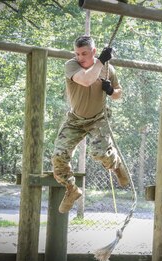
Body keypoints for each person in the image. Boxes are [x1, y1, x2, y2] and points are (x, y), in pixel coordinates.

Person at [52, 35, 129, 214]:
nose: (80, 57)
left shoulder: (108, 69)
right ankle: (71, 190)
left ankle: (116, 165)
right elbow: (86, 80)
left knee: (99, 153)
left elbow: (119, 94)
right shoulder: (71, 65)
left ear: (93, 52)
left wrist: (111, 91)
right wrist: (101, 61)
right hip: (75, 120)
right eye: (77, 53)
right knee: (58, 156)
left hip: (98, 119)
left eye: (84, 53)